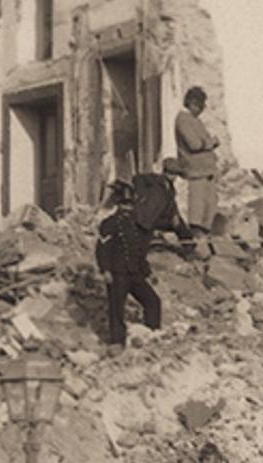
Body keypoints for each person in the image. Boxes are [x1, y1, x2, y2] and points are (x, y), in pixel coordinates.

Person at [96, 178, 162, 347]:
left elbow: (139, 252)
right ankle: (117, 341)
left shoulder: (135, 226)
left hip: (134, 273)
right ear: (119, 205)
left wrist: (147, 272)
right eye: (125, 205)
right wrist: (105, 270)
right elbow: (103, 248)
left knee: (153, 301)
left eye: (130, 205)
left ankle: (151, 335)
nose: (128, 209)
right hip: (117, 273)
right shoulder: (109, 224)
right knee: (117, 309)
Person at [170, 86, 225, 242]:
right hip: (196, 171)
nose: (202, 109)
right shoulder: (182, 119)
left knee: (210, 206)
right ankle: (196, 241)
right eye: (200, 105)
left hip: (206, 170)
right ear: (192, 103)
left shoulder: (194, 120)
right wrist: (211, 142)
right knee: (197, 210)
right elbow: (193, 144)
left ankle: (205, 239)